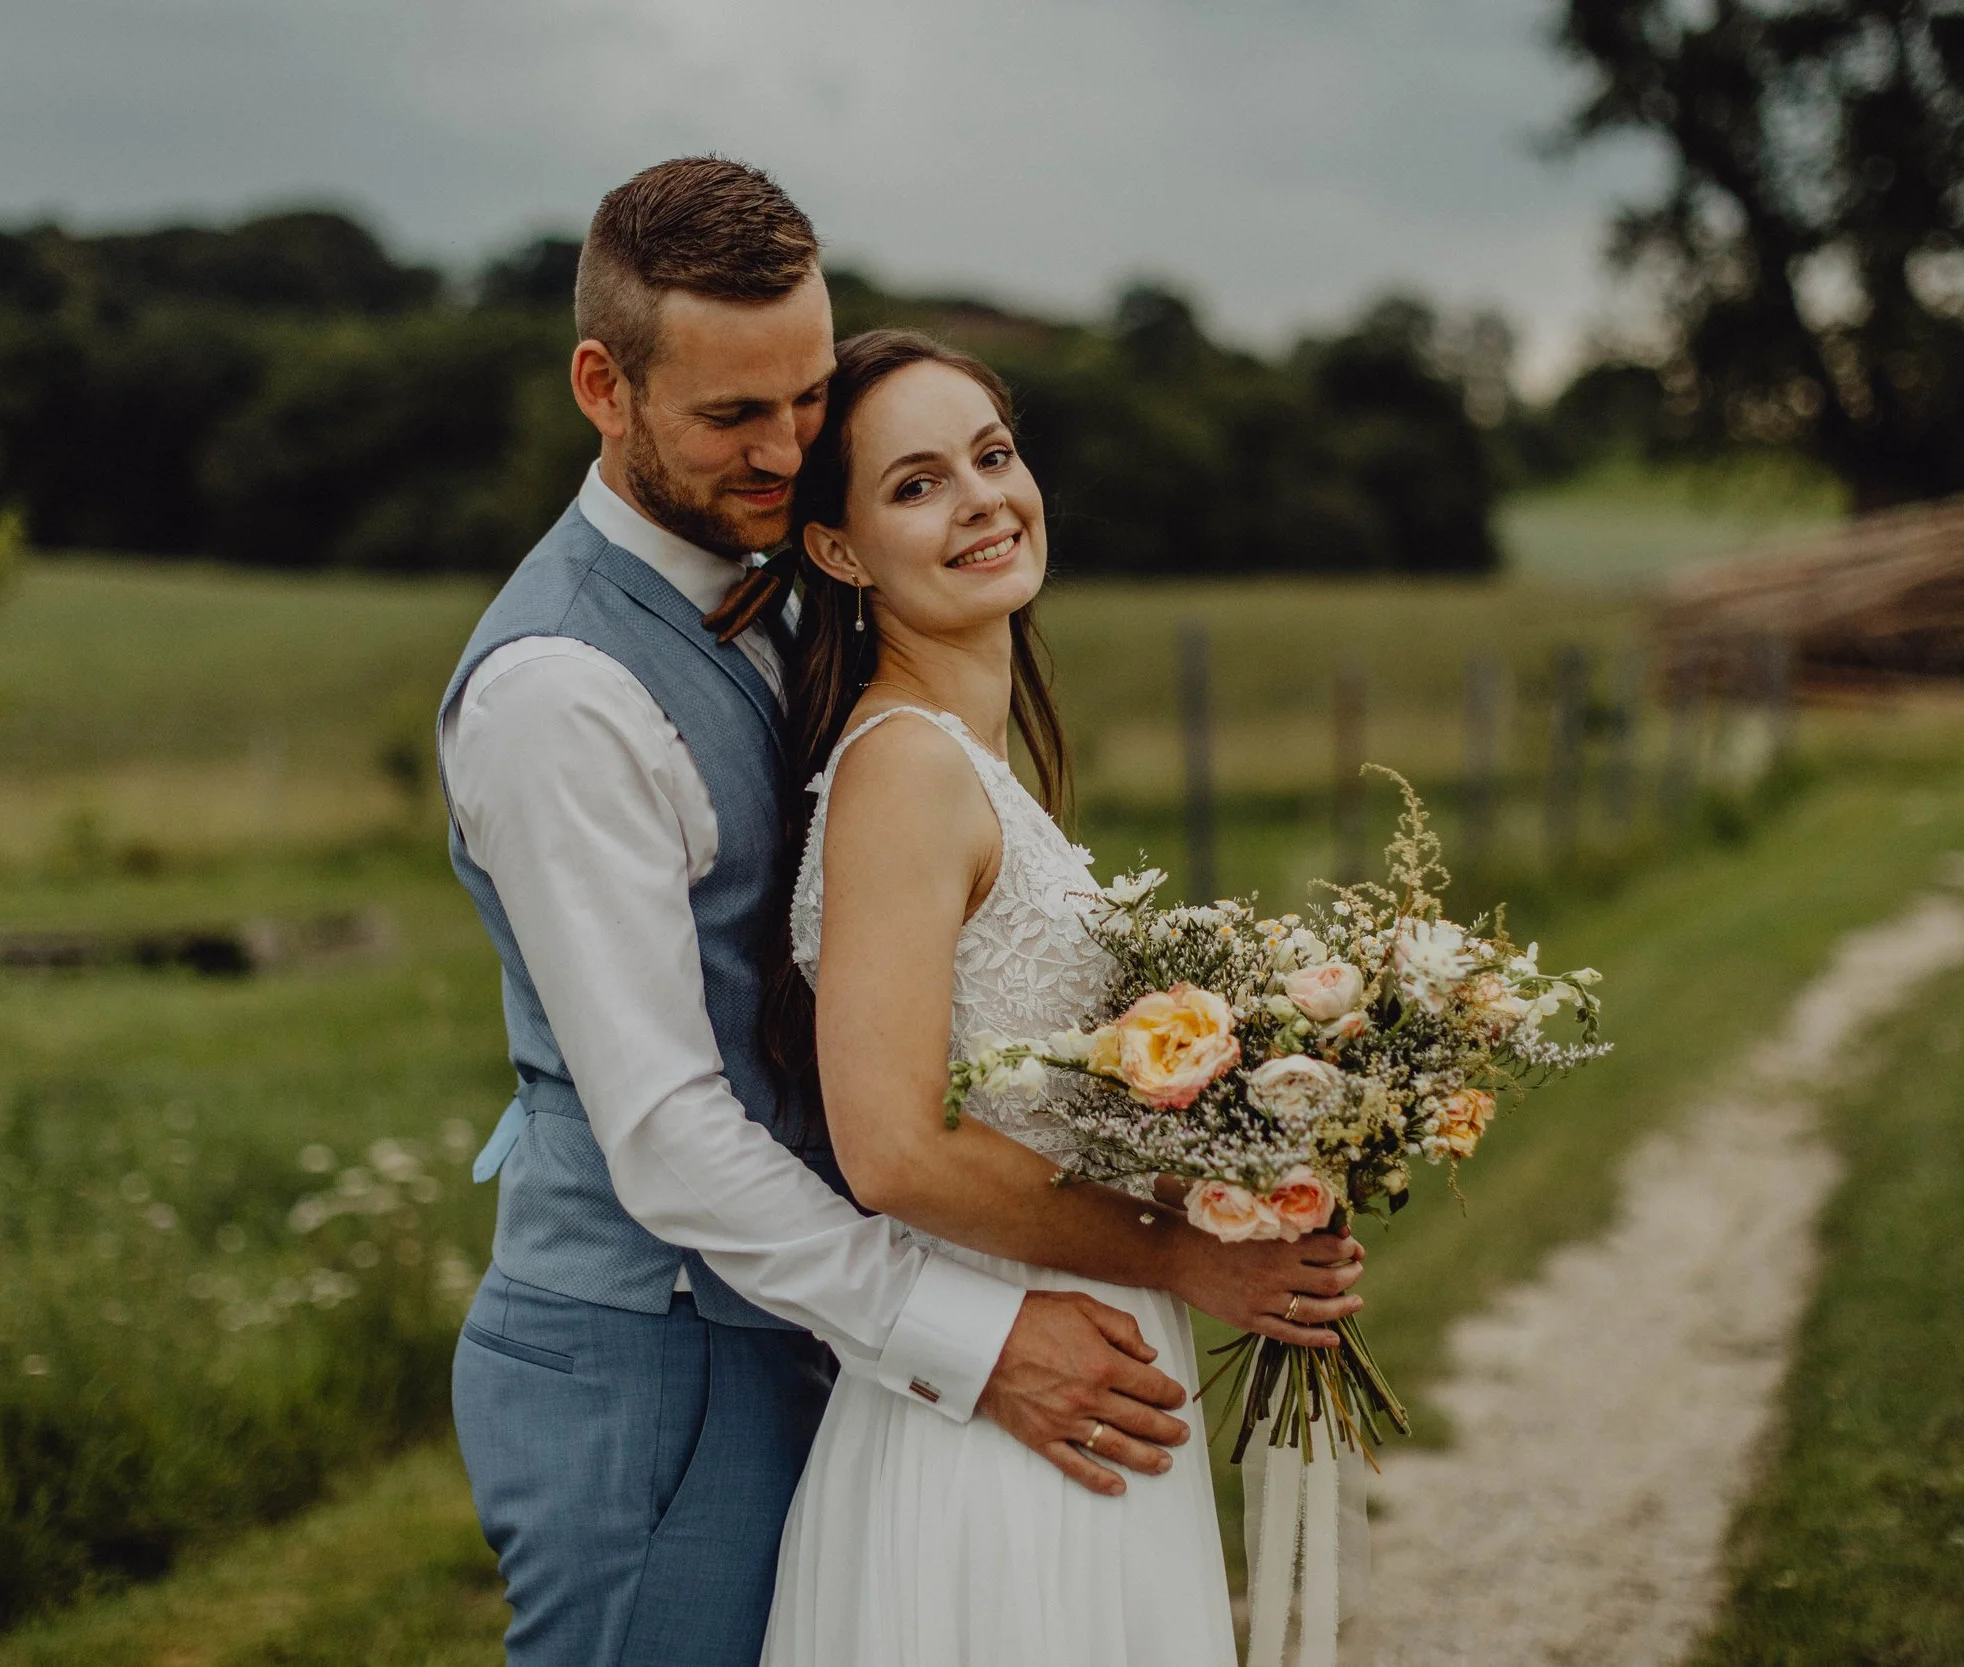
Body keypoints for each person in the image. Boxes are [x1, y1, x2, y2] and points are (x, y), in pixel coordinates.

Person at [440, 157, 1360, 1667]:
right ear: (603, 386)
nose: (787, 449)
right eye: (735, 414)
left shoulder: (784, 600)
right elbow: (668, 1134)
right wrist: (973, 1336)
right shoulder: (561, 694)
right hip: (657, 1354)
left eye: (808, 396)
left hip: (814, 1318)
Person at [750, 329, 1364, 1663]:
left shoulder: (973, 769)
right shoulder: (904, 772)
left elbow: (1045, 1104)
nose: (982, 499)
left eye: (993, 455)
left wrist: (1248, 1184)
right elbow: (892, 1147)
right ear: (839, 550)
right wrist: (1184, 1251)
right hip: (1002, 1398)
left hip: (1087, 1363)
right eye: (918, 484)